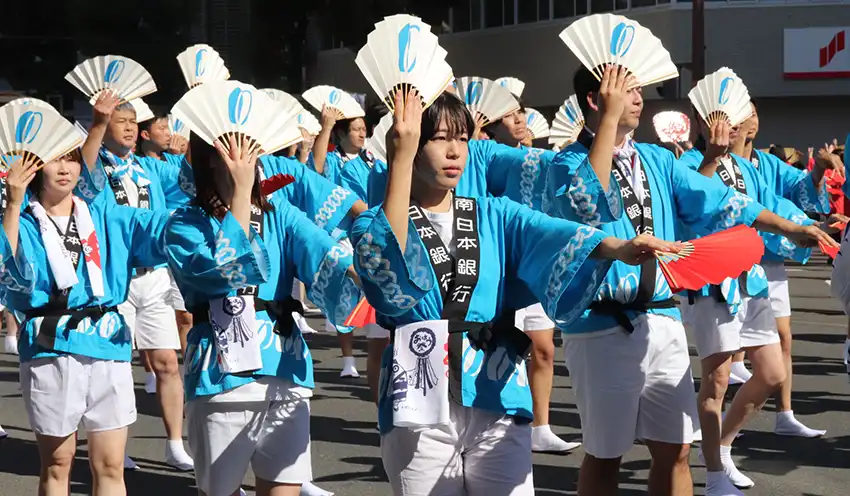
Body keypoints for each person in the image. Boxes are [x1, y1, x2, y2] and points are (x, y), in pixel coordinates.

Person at [352, 89, 685, 495]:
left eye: (461, 138)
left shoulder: (494, 213)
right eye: (439, 138)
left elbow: (555, 234)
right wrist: (400, 160)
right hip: (419, 392)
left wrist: (620, 247)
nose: (455, 151)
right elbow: (387, 278)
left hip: (496, 384)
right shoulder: (372, 224)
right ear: (408, 143)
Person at [545, 66, 834, 496]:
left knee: (676, 449)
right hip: (602, 325)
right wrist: (608, 120)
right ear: (596, 98)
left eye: (639, 88)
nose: (639, 97)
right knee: (606, 455)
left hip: (661, 318)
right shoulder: (566, 165)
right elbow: (589, 207)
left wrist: (791, 227)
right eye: (628, 90)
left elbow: (718, 199)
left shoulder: (658, 159)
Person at [166, 133, 361, 496]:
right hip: (221, 375)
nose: (249, 157)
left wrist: (374, 276)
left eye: (253, 147)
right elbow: (227, 271)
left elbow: (327, 255)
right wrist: (240, 194)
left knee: (284, 488)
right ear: (210, 157)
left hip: (284, 365)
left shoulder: (278, 212)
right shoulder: (184, 223)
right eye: (235, 147)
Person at [679, 111, 837, 493]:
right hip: (714, 282)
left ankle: (722, 446)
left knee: (771, 372)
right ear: (705, 120)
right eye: (726, 115)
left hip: (751, 276)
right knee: (716, 380)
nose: (736, 122)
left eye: (742, 113)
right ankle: (715, 473)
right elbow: (695, 205)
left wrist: (811, 224)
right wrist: (709, 160)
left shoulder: (749, 167)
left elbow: (774, 205)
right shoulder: (685, 163)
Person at [2, 145, 169, 495]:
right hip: (51, 346)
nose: (65, 168)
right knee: (58, 463)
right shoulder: (24, 219)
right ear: (34, 167)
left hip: (107, 341)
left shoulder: (104, 213)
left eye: (73, 159)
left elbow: (158, 227)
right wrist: (14, 203)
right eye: (55, 159)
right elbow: (7, 271)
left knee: (110, 465)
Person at [78, 92, 194, 471]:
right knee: (116, 367)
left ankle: (175, 443)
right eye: (120, 121)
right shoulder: (95, 165)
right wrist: (97, 122)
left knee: (167, 362)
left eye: (133, 122)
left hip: (155, 277)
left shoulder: (149, 167)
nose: (129, 128)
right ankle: (116, 444)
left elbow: (189, 179)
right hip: (115, 278)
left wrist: (193, 147)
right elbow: (84, 171)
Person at [478, 95, 577, 453]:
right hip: (495, 267)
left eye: (521, 112)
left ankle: (541, 424)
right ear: (488, 122)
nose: (520, 119)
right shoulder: (478, 157)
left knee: (544, 348)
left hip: (531, 261)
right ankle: (496, 421)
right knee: (492, 345)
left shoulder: (531, 158)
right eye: (509, 116)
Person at [737, 102, 837, 438]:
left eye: (754, 112)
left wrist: (820, 171)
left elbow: (800, 190)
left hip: (769, 262)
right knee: (726, 357)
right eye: (744, 111)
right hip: (731, 264)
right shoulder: (711, 163)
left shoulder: (767, 164)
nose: (752, 119)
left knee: (783, 339)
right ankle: (706, 424)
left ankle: (785, 414)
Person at [310, 106, 382, 379]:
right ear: (341, 133)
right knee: (346, 296)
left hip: (373, 227)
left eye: (365, 128)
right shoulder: (332, 160)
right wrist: (325, 127)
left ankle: (376, 348)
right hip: (344, 234)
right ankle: (349, 358)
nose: (363, 133)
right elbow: (314, 173)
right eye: (356, 129)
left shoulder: (372, 159)